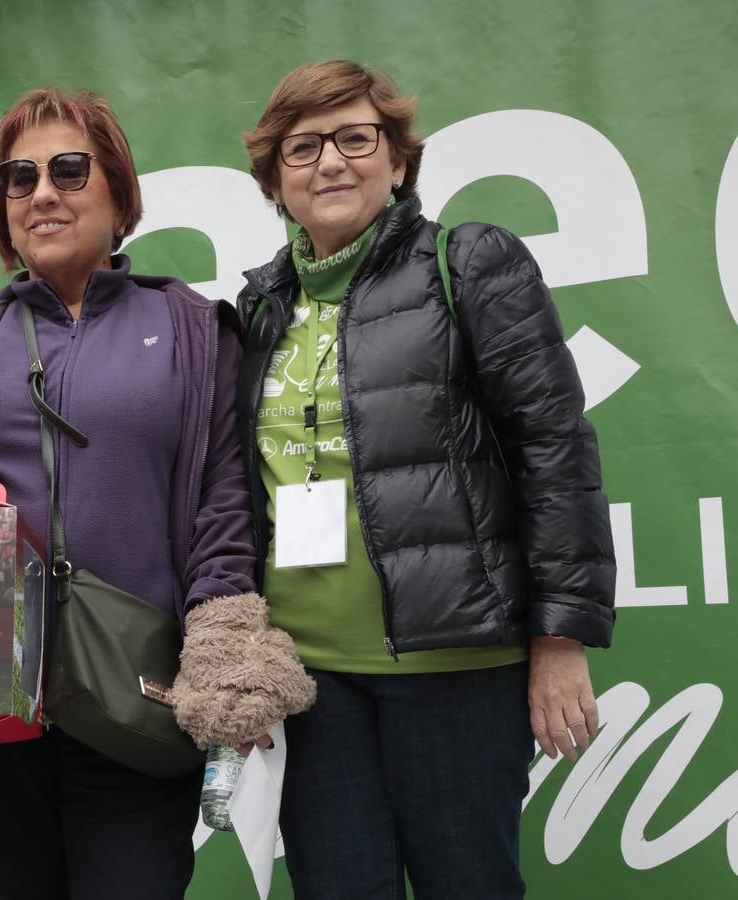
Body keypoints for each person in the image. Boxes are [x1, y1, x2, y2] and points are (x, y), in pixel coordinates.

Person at [0, 87, 310, 900]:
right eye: (17, 177)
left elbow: (225, 507)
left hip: (134, 706)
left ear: (119, 192)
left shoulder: (192, 328)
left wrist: (223, 655)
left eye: (69, 168)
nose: (41, 192)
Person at [235, 60, 616, 899]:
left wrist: (559, 641)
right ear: (274, 181)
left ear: (398, 160)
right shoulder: (259, 309)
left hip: (456, 672)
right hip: (310, 684)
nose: (330, 161)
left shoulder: (469, 262)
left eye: (355, 138)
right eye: (302, 148)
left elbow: (555, 453)